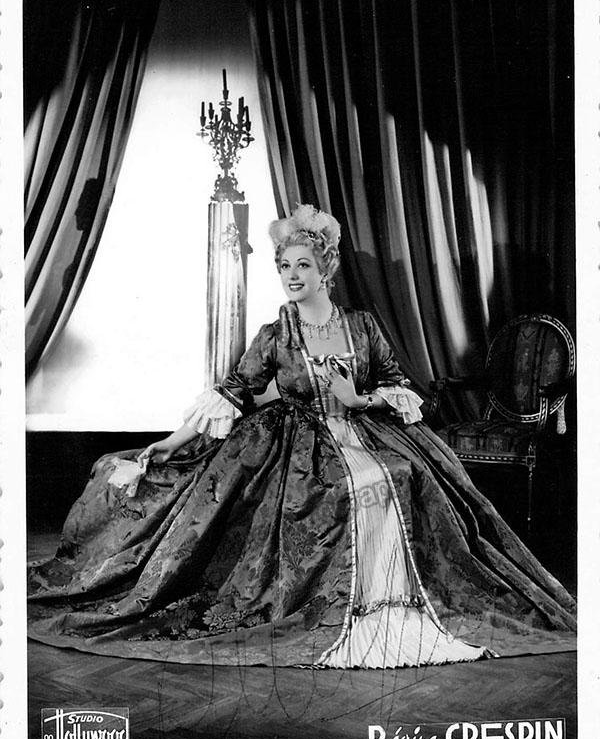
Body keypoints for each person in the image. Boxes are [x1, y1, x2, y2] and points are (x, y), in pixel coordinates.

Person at [28, 205, 576, 668]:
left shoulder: (362, 326)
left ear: (326, 268)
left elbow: (399, 386)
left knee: (402, 474)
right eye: (285, 265)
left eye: (303, 265)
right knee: (330, 492)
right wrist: (171, 443)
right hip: (297, 442)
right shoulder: (275, 334)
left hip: (366, 429)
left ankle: (398, 600)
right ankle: (340, 605)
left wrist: (359, 400)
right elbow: (232, 391)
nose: (292, 275)